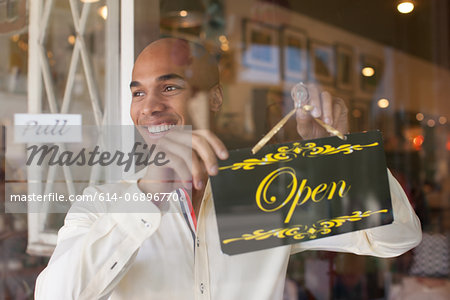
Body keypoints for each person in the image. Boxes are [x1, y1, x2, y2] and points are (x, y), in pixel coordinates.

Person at [34, 38, 422, 300]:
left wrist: (340, 157)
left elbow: (397, 239)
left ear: (215, 98)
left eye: (169, 87)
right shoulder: (103, 205)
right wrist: (148, 196)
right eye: (138, 92)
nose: (148, 106)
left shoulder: (268, 191)